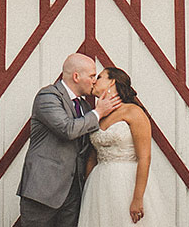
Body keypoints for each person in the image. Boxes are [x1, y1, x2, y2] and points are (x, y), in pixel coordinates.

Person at [18, 53, 121, 227]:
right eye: (91, 76)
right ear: (76, 76)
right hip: (43, 191)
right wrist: (99, 113)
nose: (94, 81)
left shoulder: (86, 107)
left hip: (73, 194)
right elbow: (67, 129)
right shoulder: (48, 97)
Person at [77, 67, 171, 226]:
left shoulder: (133, 112)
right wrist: (87, 191)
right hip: (99, 185)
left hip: (127, 182)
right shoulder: (97, 115)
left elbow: (144, 157)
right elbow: (92, 157)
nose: (94, 81)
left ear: (112, 81)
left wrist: (137, 198)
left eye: (99, 77)